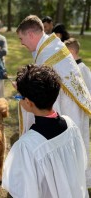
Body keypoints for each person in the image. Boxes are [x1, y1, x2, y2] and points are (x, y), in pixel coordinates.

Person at [15, 15, 91, 177]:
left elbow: (44, 91)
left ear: (31, 35)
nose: (21, 43)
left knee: (64, 155)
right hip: (71, 104)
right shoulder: (51, 45)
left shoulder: (48, 54)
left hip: (67, 108)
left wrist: (23, 88)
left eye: (22, 38)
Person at [2, 64, 88, 198]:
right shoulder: (70, 125)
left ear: (28, 103)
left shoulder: (27, 146)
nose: (18, 100)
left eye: (19, 97)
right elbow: (81, 163)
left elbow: (22, 190)